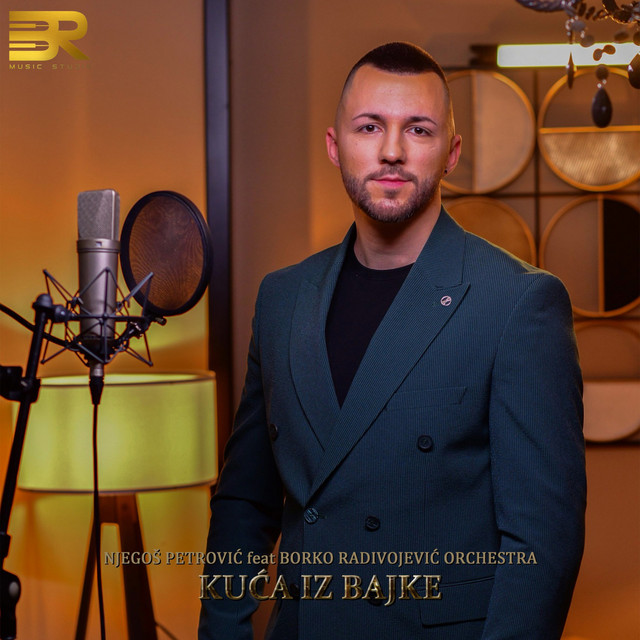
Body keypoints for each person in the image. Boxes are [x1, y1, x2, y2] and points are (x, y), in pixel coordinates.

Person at [199, 42, 586, 640]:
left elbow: (541, 543)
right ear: (336, 146)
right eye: (370, 126)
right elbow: (245, 502)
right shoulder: (282, 299)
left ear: (451, 151)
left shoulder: (518, 302)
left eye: (419, 129)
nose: (392, 151)